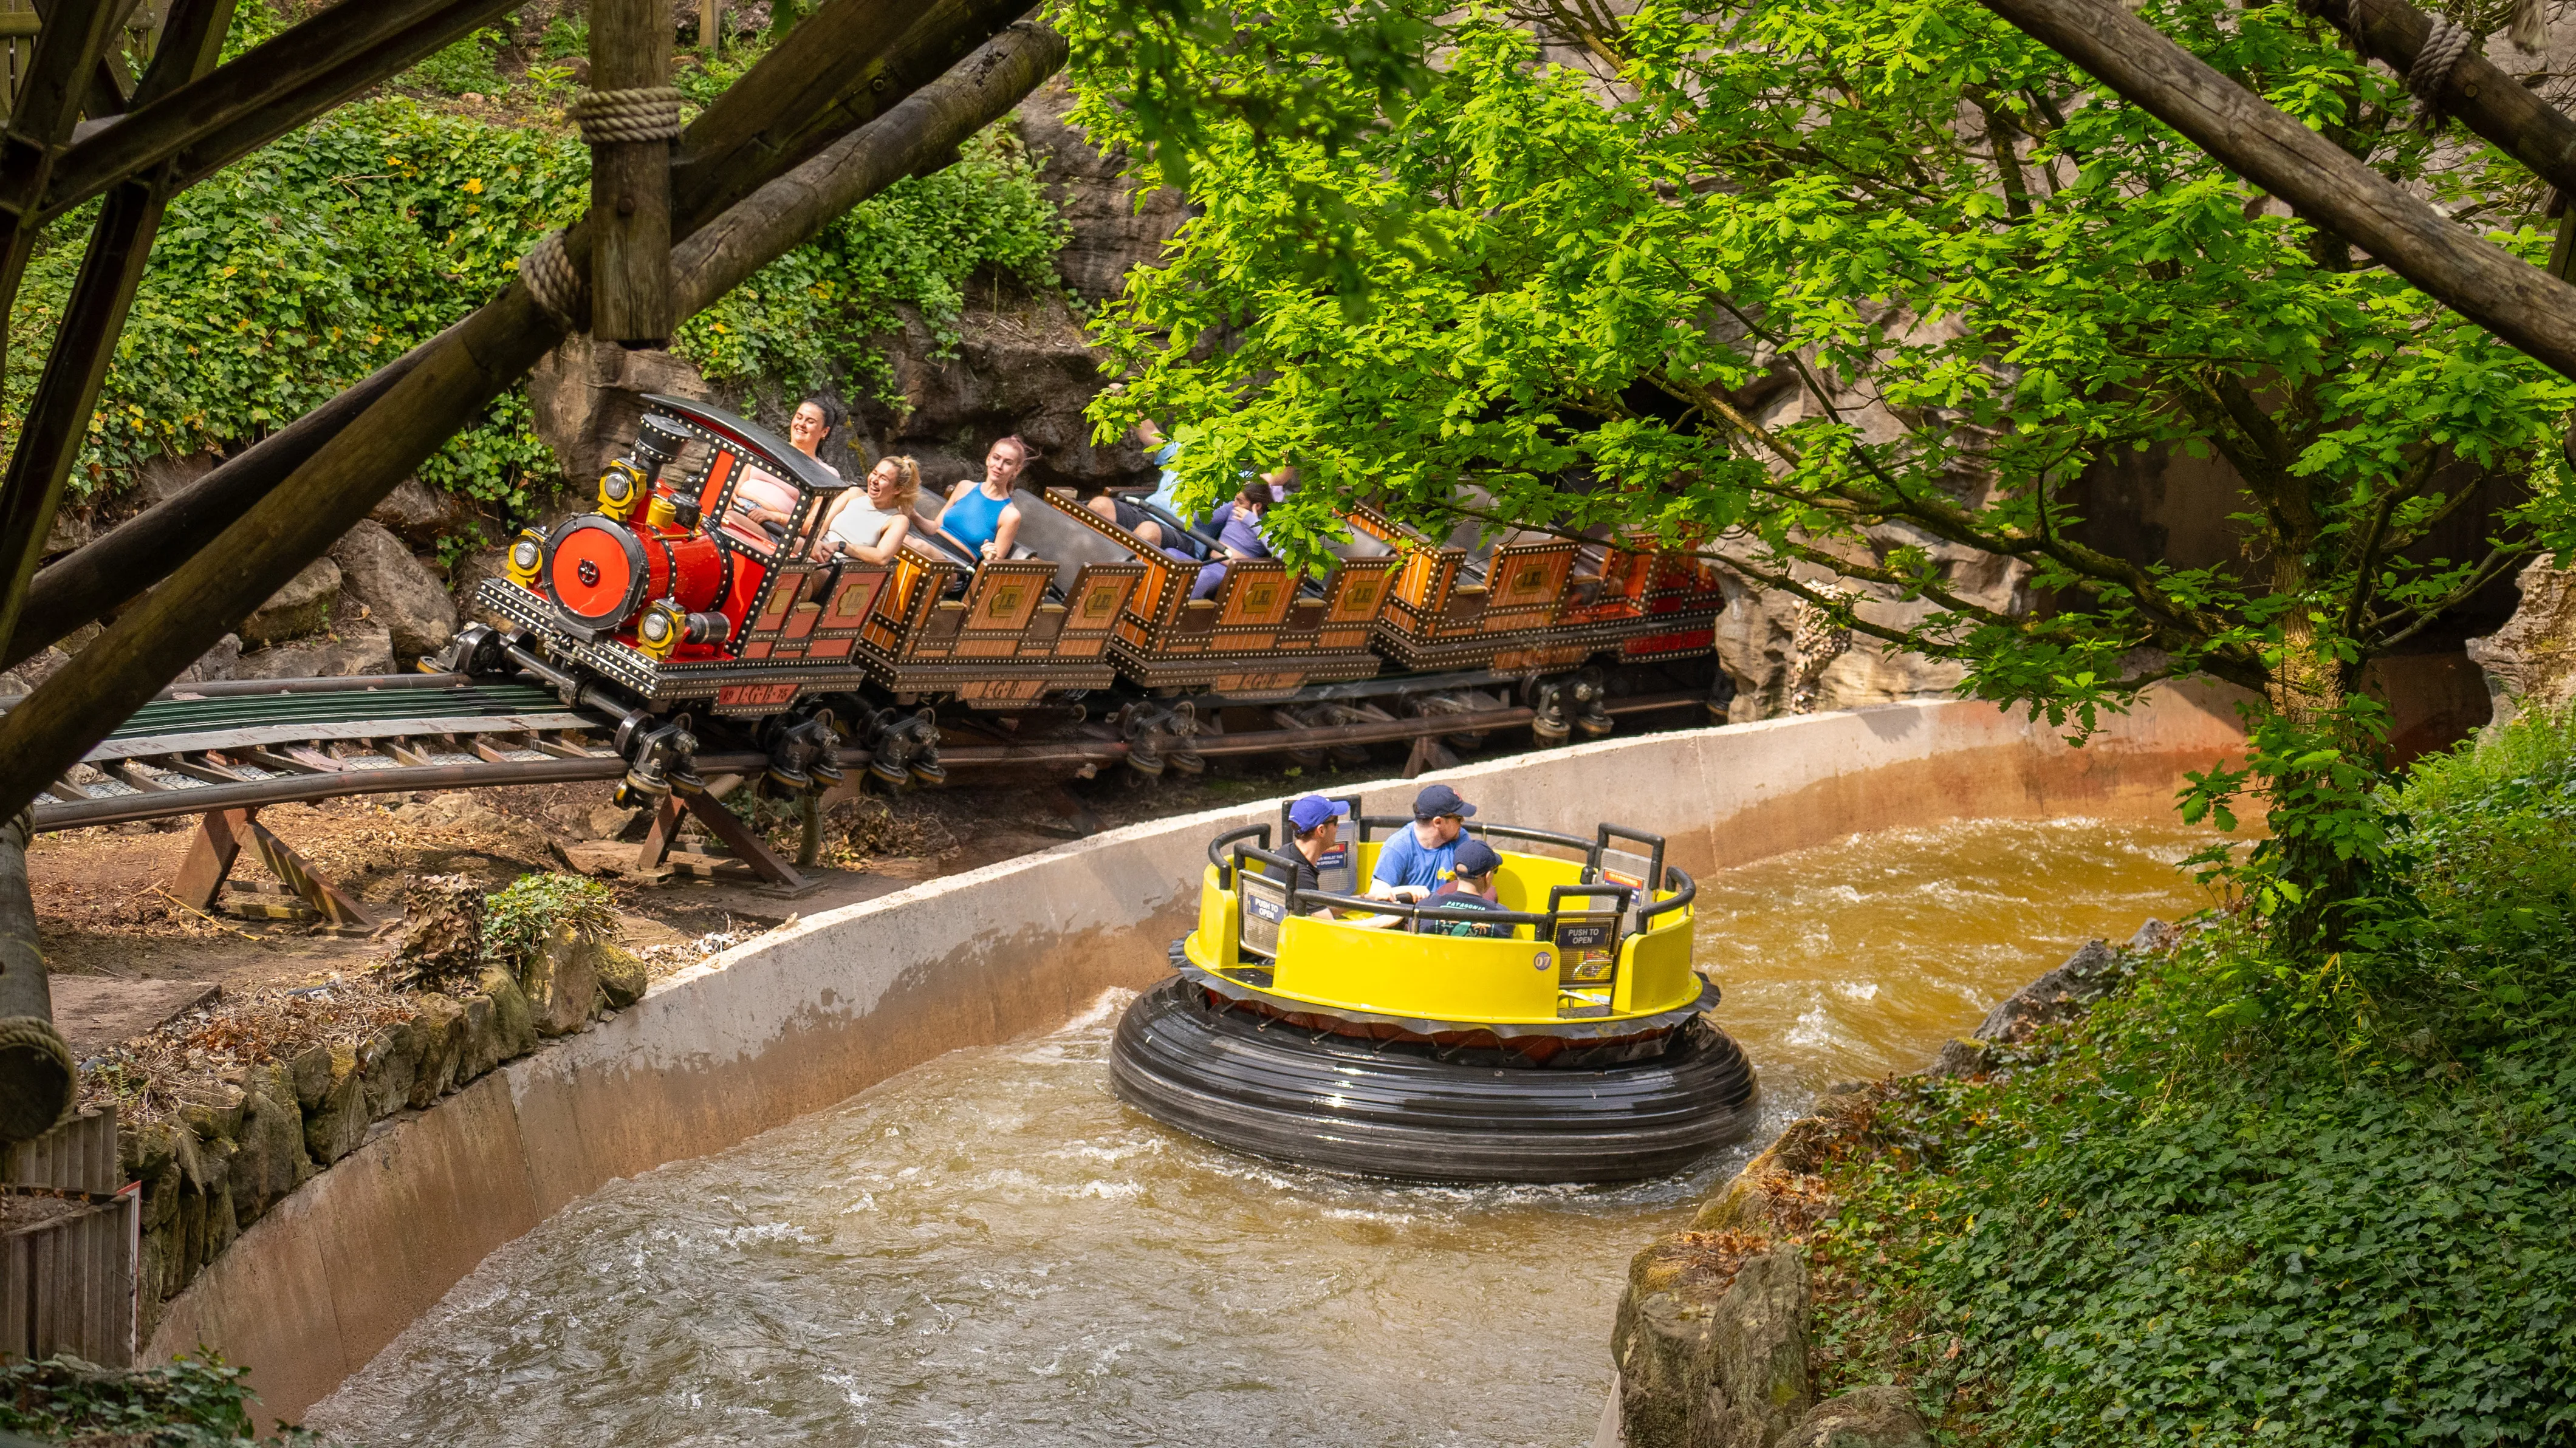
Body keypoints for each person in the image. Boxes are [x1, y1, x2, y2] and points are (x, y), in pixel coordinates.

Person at [731, 396, 841, 532]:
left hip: (771, 526)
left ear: (824, 432)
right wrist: (729, 494)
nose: (801, 424)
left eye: (810, 421)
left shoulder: (826, 473)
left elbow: (810, 525)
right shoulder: (767, 448)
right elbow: (738, 483)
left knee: (729, 521)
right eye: (799, 417)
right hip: (735, 505)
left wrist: (776, 517)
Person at [1368, 783, 1476, 901]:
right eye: (1459, 818)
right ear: (1438, 822)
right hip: (1407, 917)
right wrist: (1407, 890)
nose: (1463, 822)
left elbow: (1475, 883)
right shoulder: (1399, 846)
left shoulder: (1460, 837)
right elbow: (1376, 895)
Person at [937, 435, 1030, 561]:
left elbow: (994, 564)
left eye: (1007, 463)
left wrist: (989, 558)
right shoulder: (964, 486)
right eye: (996, 458)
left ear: (1016, 470)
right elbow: (935, 526)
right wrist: (913, 514)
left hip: (957, 564)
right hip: (933, 544)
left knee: (920, 547)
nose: (999, 466)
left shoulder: (1010, 515)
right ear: (988, 459)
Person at [815, 456, 920, 565]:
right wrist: (815, 544)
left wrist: (841, 546)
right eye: (874, 473)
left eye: (883, 478)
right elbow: (821, 523)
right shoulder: (853, 494)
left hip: (839, 567)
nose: (875, 480)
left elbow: (882, 557)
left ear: (897, 489)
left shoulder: (897, 521)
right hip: (816, 552)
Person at [1190, 482, 1278, 600]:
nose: (1234, 504)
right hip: (1210, 564)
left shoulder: (1269, 524)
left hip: (1231, 575)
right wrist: (1209, 492)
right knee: (1172, 553)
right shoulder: (1234, 508)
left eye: (1240, 502)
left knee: (1203, 577)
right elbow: (1200, 518)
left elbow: (1281, 553)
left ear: (1257, 506)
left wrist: (1253, 522)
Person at [1418, 838, 1513, 938]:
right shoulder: (1504, 918)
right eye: (1495, 870)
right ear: (1488, 876)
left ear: (1455, 872)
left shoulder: (1425, 907)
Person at [1282, 793, 1352, 914]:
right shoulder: (1301, 876)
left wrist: (1367, 900)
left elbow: (1320, 908)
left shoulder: (1286, 852)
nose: (1338, 827)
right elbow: (1330, 928)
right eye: (1335, 822)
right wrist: (1385, 921)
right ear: (1321, 830)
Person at [1085, 488, 1166, 548]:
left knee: (1148, 532)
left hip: (1175, 526)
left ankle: (1118, 567)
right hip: (1147, 510)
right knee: (1099, 506)